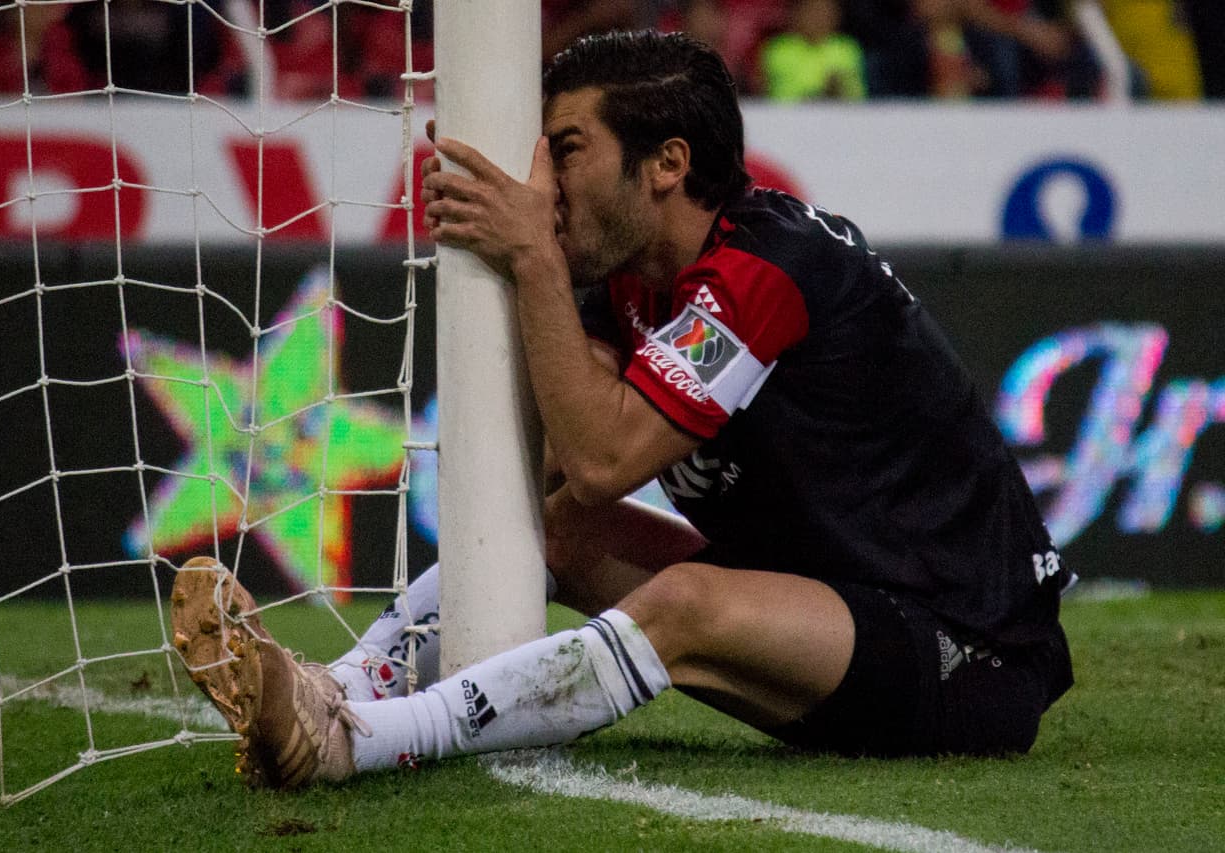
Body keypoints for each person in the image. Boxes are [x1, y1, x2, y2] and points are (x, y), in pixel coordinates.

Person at [171, 29, 1074, 789]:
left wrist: (531, 257)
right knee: (562, 532)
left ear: (667, 165)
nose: (545, 185)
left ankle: (356, 743)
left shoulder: (764, 272)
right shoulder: (636, 283)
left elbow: (606, 458)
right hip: (833, 615)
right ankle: (332, 687)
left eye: (564, 150)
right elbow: (554, 475)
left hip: (967, 657)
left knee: (682, 599)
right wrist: (523, 270)